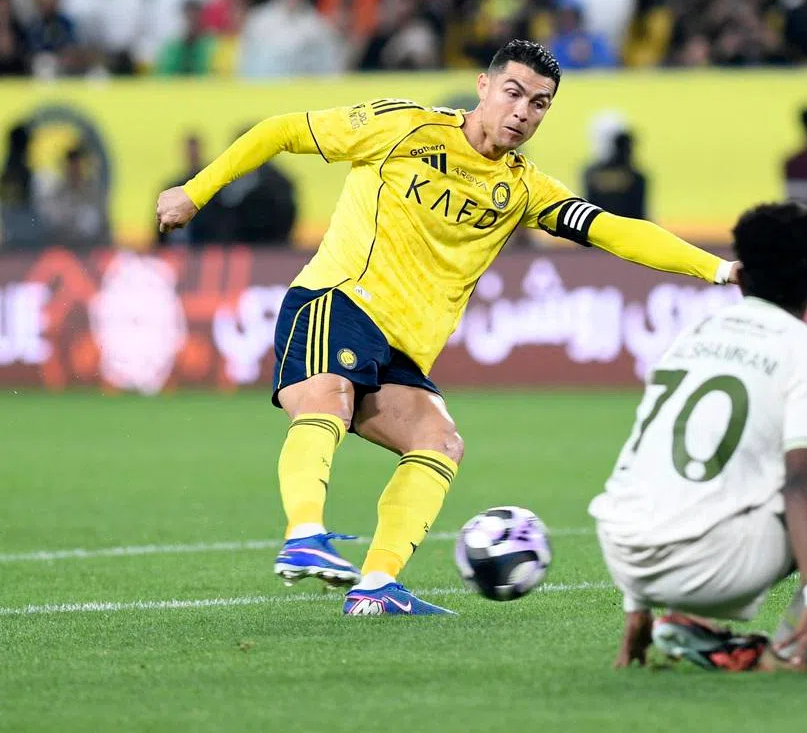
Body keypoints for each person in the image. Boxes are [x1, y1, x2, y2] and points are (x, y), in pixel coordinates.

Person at [155, 40, 740, 618]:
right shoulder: (402, 127)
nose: (522, 112)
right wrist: (195, 192)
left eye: (539, 104)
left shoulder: (523, 189)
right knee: (329, 397)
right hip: (339, 299)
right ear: (483, 86)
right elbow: (282, 130)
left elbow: (614, 229)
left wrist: (718, 269)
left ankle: (376, 586)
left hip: (401, 350)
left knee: (438, 442)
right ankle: (305, 533)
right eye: (513, 93)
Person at [590, 202, 807, 672]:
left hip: (623, 555)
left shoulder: (692, 336)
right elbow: (803, 479)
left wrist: (636, 607)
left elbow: (643, 462)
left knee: (744, 475)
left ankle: (685, 622)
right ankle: (796, 645)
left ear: (740, 279)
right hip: (708, 570)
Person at [583, 130, 646, 220]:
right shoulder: (636, 177)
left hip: (598, 224)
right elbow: (639, 213)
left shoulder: (592, 173)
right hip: (625, 225)